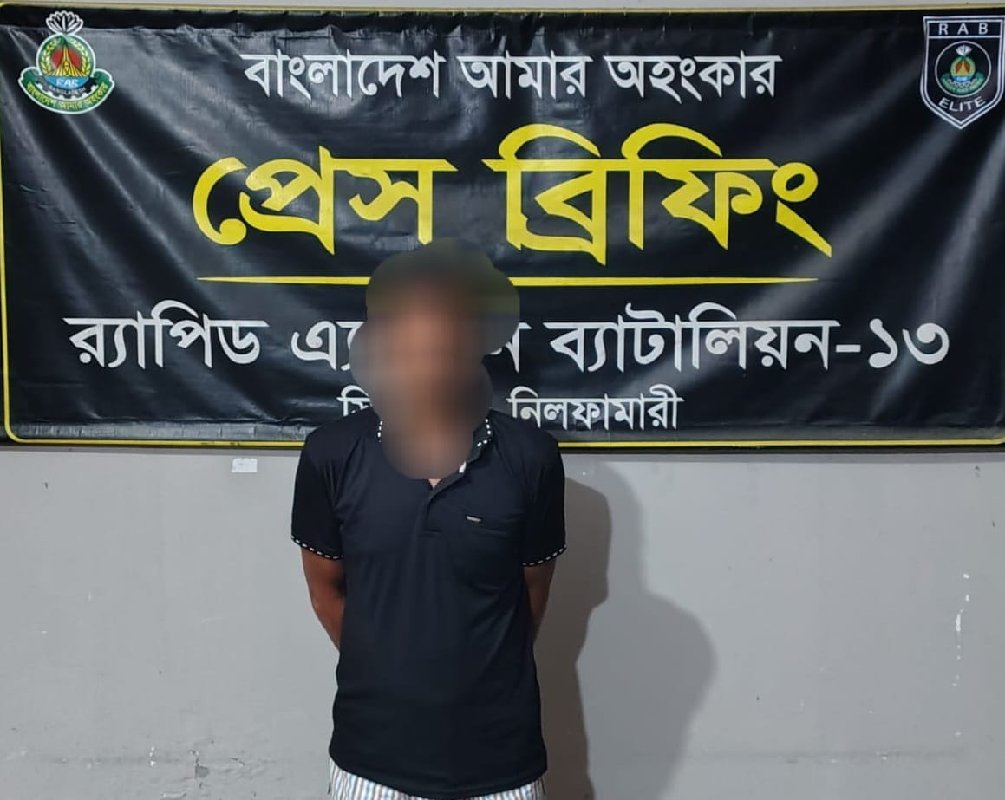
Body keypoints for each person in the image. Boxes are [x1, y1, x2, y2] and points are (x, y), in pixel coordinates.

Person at [290, 239, 567, 800]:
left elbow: (530, 596)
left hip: (502, 766)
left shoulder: (531, 456)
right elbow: (325, 592)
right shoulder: (332, 454)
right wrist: (391, 668)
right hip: (371, 763)